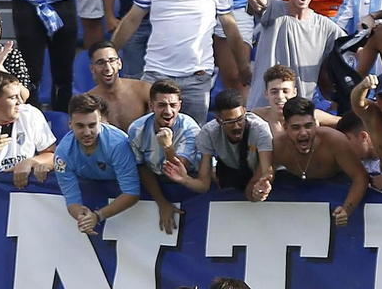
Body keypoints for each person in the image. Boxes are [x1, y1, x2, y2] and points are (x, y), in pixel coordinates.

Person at [113, 0, 240, 125]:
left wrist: (243, 66)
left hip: (196, 79)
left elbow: (230, 28)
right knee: (152, 136)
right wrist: (111, 51)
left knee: (194, 138)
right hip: (156, 75)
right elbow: (132, 20)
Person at [242, 0, 346, 106]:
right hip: (263, 110)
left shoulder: (326, 28)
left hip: (299, 115)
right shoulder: (273, 9)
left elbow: (353, 51)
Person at [271, 97, 369, 224]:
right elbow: (261, 178)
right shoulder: (278, 145)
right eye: (296, 128)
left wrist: (347, 208)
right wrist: (258, 190)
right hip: (299, 212)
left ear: (316, 124)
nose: (303, 133)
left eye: (308, 126)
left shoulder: (334, 141)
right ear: (285, 127)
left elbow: (360, 177)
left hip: (337, 197)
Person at [56, 92, 143, 233]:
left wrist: (98, 216)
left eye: (92, 125)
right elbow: (72, 199)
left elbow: (132, 193)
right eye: (80, 126)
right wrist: (83, 218)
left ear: (100, 121)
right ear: (70, 124)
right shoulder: (63, 152)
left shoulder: (118, 144)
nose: (87, 132)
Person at [130, 78, 203, 232]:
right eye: (162, 105)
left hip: (192, 178)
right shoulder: (137, 130)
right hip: (157, 176)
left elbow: (178, 171)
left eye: (173, 105)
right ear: (151, 106)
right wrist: (162, 203)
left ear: (180, 106)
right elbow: (142, 167)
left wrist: (167, 147)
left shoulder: (190, 129)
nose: (168, 111)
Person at [182, 88, 276, 198]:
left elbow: (266, 169)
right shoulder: (208, 133)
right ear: (218, 120)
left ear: (245, 112)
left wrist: (263, 183)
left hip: (255, 169)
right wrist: (184, 179)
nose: (236, 126)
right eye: (230, 122)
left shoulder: (260, 129)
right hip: (228, 172)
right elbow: (204, 184)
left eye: (240, 119)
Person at [87, 40, 151, 130]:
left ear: (119, 63)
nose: (107, 68)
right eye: (101, 62)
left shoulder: (143, 90)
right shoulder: (89, 101)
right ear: (92, 69)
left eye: (112, 60)